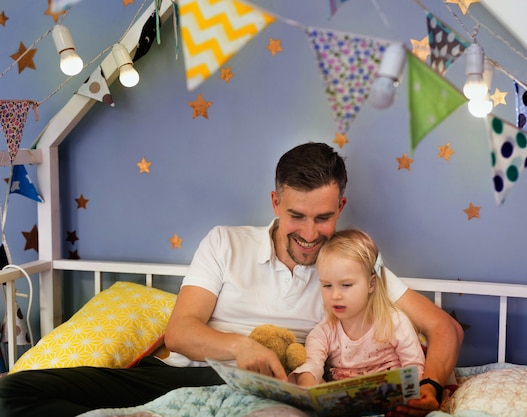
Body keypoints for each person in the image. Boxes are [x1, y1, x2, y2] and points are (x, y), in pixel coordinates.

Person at [0, 142, 463, 417]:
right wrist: (239, 347)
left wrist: (432, 387)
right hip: (187, 378)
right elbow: (180, 333)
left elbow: (445, 329)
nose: (308, 233)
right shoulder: (225, 242)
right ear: (275, 203)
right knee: (11, 393)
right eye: (295, 215)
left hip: (280, 394)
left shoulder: (355, 268)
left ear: (340, 208)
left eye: (322, 218)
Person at [290, 228, 425, 387]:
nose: (335, 295)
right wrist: (307, 389)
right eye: (327, 285)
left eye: (346, 285)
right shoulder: (324, 332)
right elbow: (311, 366)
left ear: (371, 284)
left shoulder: (394, 323)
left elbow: (415, 368)